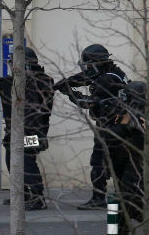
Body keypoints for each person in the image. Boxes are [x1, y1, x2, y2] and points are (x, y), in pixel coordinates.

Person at [0, 47, 54, 211]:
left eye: (15, 66)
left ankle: (39, 198)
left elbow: (34, 108)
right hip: (15, 133)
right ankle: (22, 195)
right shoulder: (16, 81)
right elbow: (0, 86)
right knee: (12, 161)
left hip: (33, 131)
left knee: (27, 163)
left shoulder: (41, 81)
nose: (12, 69)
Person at [53, 44, 129, 209]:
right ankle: (127, 200)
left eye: (89, 64)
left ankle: (99, 199)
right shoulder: (114, 73)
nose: (87, 68)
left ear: (97, 63)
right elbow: (86, 77)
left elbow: (87, 102)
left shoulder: (107, 79)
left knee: (99, 163)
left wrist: (69, 92)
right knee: (117, 164)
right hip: (119, 126)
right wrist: (68, 81)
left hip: (109, 127)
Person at [105, 81, 149, 235]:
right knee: (124, 199)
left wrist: (124, 125)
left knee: (129, 199)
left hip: (143, 162)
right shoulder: (131, 110)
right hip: (130, 161)